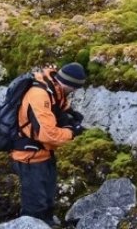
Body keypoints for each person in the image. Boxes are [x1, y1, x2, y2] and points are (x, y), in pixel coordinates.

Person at [10, 62, 87, 226]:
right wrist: (72, 133)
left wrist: (71, 119)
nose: (75, 92)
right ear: (70, 84)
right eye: (75, 88)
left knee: (47, 203)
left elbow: (62, 111)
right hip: (29, 157)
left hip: (44, 155)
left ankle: (47, 223)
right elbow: (47, 134)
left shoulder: (55, 90)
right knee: (35, 207)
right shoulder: (40, 95)